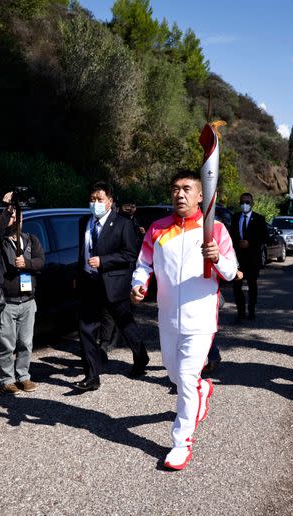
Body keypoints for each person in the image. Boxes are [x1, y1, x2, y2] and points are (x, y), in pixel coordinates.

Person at [131, 169, 238, 470]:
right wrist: (138, 285)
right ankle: (202, 390)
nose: (180, 194)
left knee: (187, 379)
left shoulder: (214, 228)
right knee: (174, 375)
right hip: (167, 317)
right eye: (176, 188)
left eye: (187, 188)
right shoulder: (157, 229)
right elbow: (143, 265)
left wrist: (217, 258)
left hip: (201, 318)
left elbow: (231, 272)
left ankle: (181, 443)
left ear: (201, 195)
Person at [74, 182, 149, 392]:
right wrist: (78, 275)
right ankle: (91, 376)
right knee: (86, 329)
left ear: (110, 202)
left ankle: (141, 357)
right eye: (92, 199)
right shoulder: (84, 222)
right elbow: (82, 253)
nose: (95, 203)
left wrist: (104, 261)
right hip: (90, 283)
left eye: (100, 199)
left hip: (114, 283)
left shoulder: (122, 223)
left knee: (124, 323)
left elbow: (130, 254)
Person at [0, 191, 45, 394]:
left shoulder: (30, 240)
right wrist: (8, 209)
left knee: (26, 342)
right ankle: (6, 378)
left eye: (17, 215)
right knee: (6, 343)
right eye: (13, 217)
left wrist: (27, 263)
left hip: (28, 301)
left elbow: (41, 262)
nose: (15, 219)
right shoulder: (0, 242)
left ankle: (24, 376)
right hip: (7, 301)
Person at [230, 192, 269, 321]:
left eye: (247, 202)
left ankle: (251, 311)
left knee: (252, 286)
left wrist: (250, 243)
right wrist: (238, 243)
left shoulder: (259, 218)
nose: (244, 205)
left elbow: (264, 237)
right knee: (236, 287)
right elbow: (231, 236)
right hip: (238, 259)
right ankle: (240, 312)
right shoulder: (235, 217)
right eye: (242, 202)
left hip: (253, 259)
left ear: (252, 203)